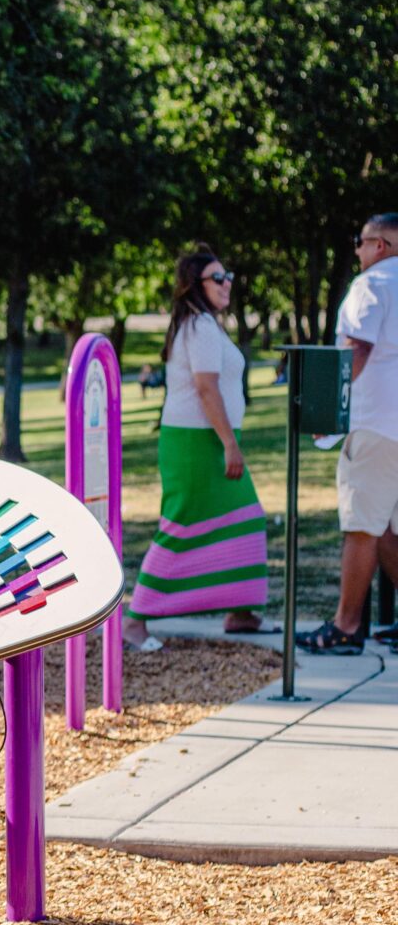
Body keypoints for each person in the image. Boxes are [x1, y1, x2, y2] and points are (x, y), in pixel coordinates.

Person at [122, 245, 271, 650]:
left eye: (228, 278)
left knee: (243, 518)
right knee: (182, 524)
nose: (227, 285)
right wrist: (229, 444)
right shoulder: (200, 326)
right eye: (217, 278)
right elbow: (206, 389)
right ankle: (135, 621)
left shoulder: (204, 323)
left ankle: (239, 612)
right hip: (197, 442)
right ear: (196, 284)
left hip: (205, 438)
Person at [298, 213, 398, 655]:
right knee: (390, 529)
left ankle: (345, 626)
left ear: (380, 246)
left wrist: (329, 413)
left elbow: (355, 347)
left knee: (361, 525)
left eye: (360, 241)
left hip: (376, 422)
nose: (356, 250)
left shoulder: (372, 284)